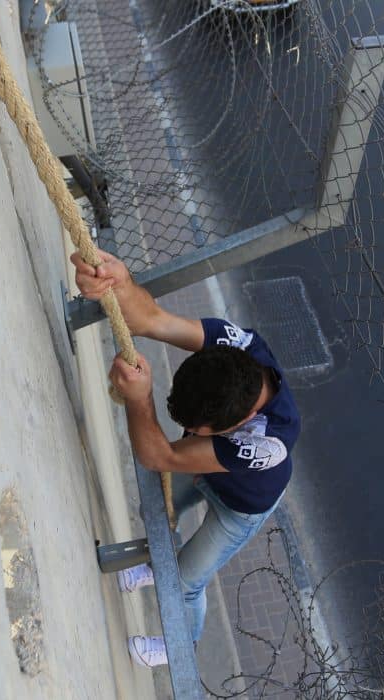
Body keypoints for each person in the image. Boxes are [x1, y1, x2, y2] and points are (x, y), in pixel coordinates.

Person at [72, 250, 301, 668]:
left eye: (200, 430)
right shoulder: (241, 347)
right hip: (210, 472)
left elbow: (158, 455)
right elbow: (151, 320)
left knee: (185, 582)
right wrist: (119, 284)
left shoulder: (267, 443)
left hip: (240, 507)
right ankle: (157, 561)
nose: (192, 433)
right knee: (156, 507)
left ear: (242, 422)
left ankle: (180, 650)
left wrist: (138, 398)